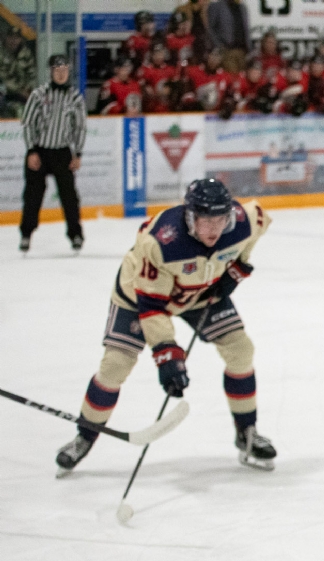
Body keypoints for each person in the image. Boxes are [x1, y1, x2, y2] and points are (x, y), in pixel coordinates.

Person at [55, 179, 278, 476]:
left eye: (220, 220)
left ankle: (246, 432)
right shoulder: (160, 242)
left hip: (200, 293)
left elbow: (258, 224)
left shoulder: (244, 221)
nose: (213, 229)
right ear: (189, 217)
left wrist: (238, 268)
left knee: (240, 349)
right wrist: (167, 356)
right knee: (116, 365)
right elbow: (153, 308)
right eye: (205, 221)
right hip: (140, 297)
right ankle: (84, 437)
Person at [19, 55, 86, 254]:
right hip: (40, 151)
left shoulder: (75, 97)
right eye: (57, 70)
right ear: (50, 71)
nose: (61, 73)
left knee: (69, 196)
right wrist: (31, 150)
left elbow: (80, 127)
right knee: (32, 195)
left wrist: (78, 154)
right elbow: (28, 122)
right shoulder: (39, 94)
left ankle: (75, 234)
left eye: (64, 69)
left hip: (62, 152)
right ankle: (26, 233)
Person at [0, 26, 36, 116]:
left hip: (24, 93)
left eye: (16, 38)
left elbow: (32, 73)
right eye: (11, 37)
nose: (13, 41)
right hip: (6, 93)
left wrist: (29, 90)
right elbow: (3, 78)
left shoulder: (25, 53)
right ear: (6, 38)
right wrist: (21, 92)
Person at [208, 0, 251, 74]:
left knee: (242, 79)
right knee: (231, 78)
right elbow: (210, 29)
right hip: (227, 51)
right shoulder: (216, 6)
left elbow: (246, 29)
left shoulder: (242, 7)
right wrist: (219, 46)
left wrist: (249, 48)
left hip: (242, 51)